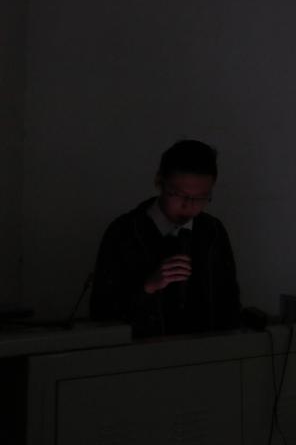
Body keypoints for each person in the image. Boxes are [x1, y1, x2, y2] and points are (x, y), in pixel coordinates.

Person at [90, 140, 241, 337]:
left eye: (200, 198)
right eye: (178, 194)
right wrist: (148, 287)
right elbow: (102, 311)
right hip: (140, 352)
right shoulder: (125, 232)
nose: (188, 205)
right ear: (159, 182)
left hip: (204, 350)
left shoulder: (212, 231)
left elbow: (229, 302)